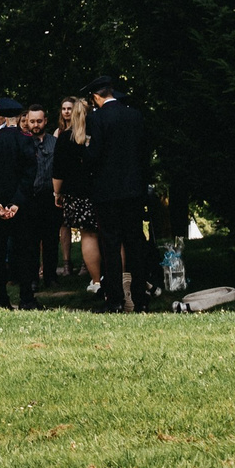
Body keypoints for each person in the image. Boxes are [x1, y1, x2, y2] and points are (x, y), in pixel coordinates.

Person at [83, 77, 161, 312]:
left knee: (111, 245)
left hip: (107, 192)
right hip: (133, 190)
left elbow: (93, 155)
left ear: (96, 97)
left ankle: (116, 299)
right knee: (135, 242)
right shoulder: (135, 116)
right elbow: (144, 152)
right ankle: (140, 298)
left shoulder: (96, 119)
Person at [0, 97, 41, 310]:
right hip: (20, 207)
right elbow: (29, 175)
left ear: (2, 115)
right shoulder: (26, 140)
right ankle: (26, 298)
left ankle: (1, 299)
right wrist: (15, 203)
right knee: (24, 251)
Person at [54, 94, 104, 297]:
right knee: (109, 234)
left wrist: (57, 193)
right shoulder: (99, 136)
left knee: (88, 235)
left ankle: (96, 281)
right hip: (100, 190)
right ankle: (119, 278)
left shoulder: (65, 138)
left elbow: (58, 170)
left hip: (76, 193)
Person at [28, 105, 60, 289]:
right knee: (31, 240)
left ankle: (51, 276)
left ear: (45, 121)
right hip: (31, 197)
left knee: (51, 239)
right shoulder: (24, 143)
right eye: (32, 121)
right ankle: (32, 278)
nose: (35, 125)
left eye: (39, 121)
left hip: (50, 197)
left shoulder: (54, 143)